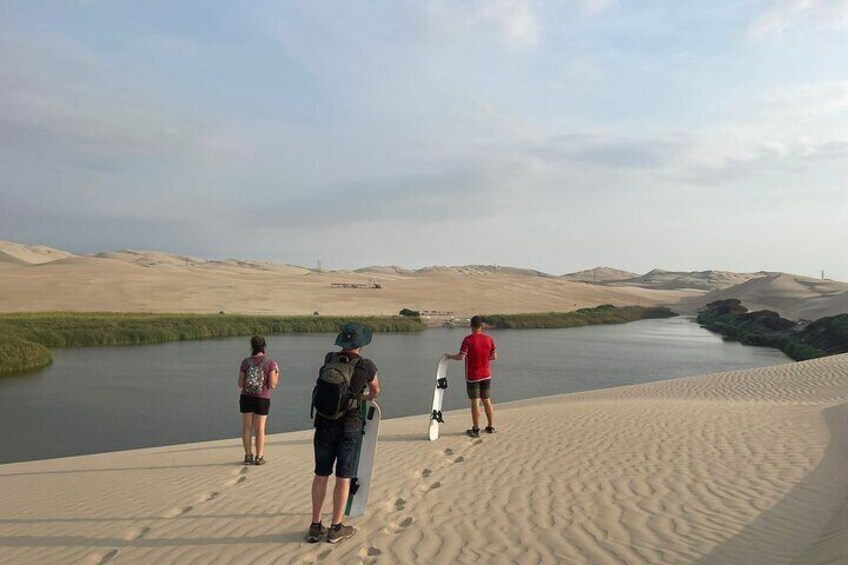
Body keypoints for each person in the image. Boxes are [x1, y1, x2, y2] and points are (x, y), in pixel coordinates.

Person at [306, 323, 381, 544]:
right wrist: (363, 397)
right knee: (343, 476)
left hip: (323, 423)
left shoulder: (329, 358)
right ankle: (336, 527)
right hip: (350, 425)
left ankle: (315, 526)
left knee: (321, 474)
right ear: (361, 344)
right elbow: (376, 390)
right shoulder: (366, 365)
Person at [446, 315, 497, 438]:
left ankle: (476, 429)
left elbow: (461, 357)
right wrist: (484, 359)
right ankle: (490, 427)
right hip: (486, 375)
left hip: (473, 376)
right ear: (482, 326)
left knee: (475, 402)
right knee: (487, 400)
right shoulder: (489, 339)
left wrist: (449, 356)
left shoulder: (468, 340)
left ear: (471, 326)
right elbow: (494, 356)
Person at [237, 335, 279, 465]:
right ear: (264, 346)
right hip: (262, 398)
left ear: (252, 347)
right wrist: (277, 374)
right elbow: (272, 385)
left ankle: (248, 456)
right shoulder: (270, 363)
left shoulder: (245, 362)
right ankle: (259, 457)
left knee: (247, 427)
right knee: (260, 429)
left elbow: (240, 384)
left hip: (246, 397)